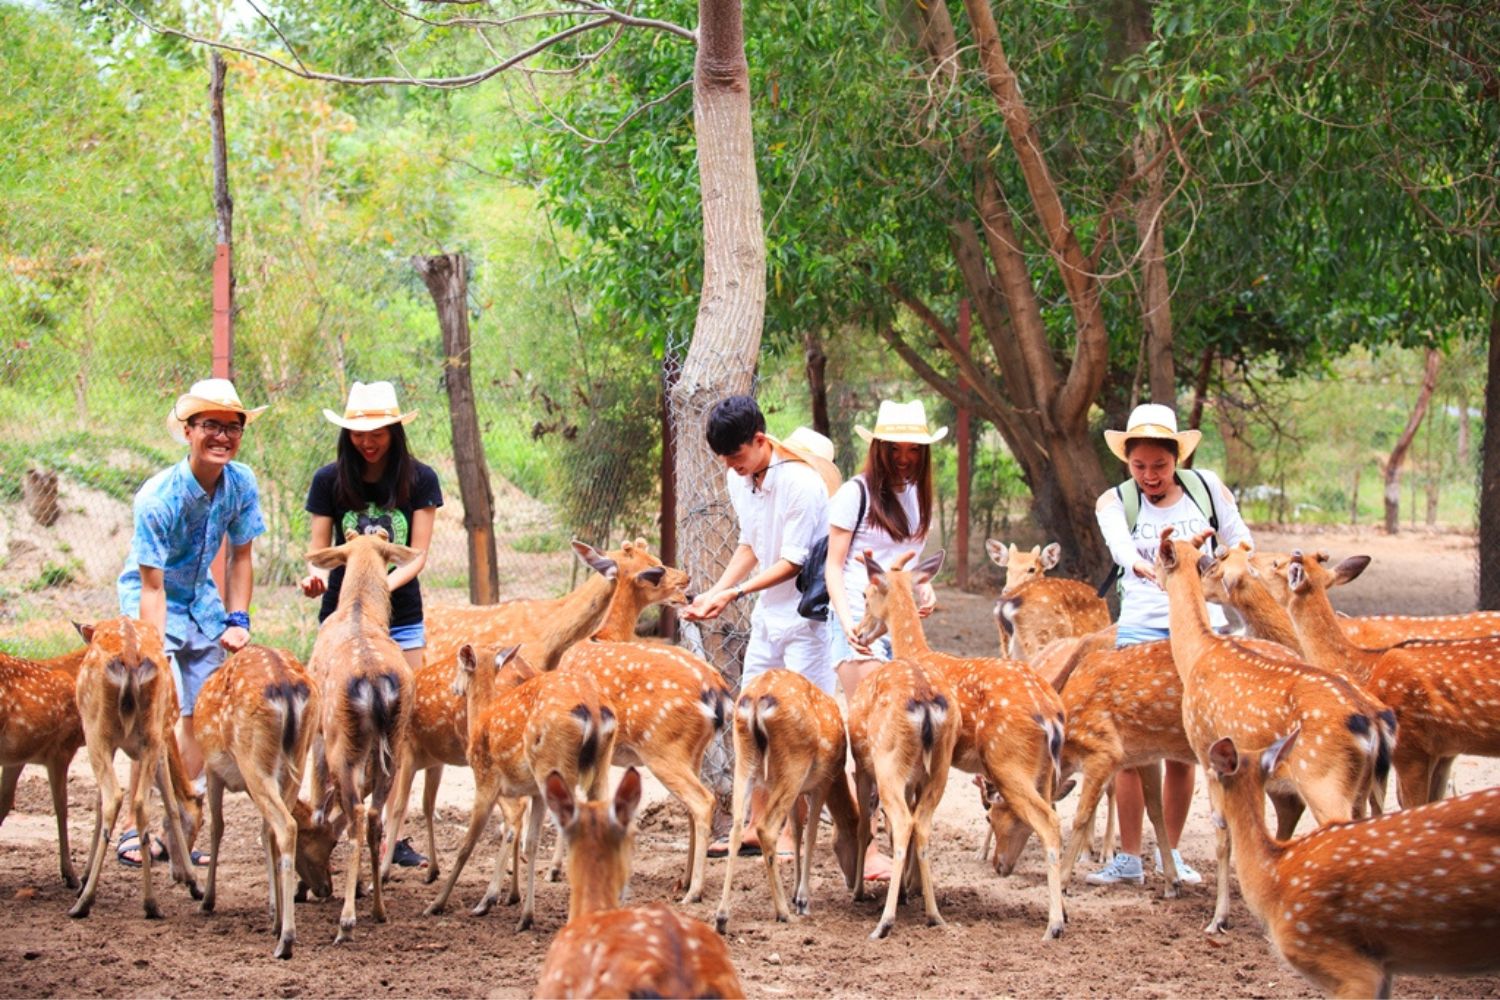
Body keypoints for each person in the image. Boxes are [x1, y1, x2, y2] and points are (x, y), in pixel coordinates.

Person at [1087, 402, 1252, 887]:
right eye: (1139, 466)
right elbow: (1121, 550)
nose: (1149, 475)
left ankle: (1171, 852)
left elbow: (1242, 541)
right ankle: (1130, 858)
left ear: (1177, 458)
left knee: (1187, 745)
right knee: (1130, 749)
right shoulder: (1115, 502)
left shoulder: (1207, 490)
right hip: (1141, 627)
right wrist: (1145, 566)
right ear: (1127, 462)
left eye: (1159, 465)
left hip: (1202, 633)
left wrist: (1216, 561)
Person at [115, 378, 268, 867]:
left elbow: (241, 556)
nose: (222, 437)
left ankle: (177, 823)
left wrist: (238, 616)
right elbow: (153, 586)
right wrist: (153, 648)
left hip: (202, 601)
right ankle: (131, 828)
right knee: (158, 712)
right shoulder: (157, 498)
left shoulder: (241, 483)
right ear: (188, 432)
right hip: (152, 601)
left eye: (232, 428)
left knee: (199, 717)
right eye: (210, 426)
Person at [683, 396, 836, 856]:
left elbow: (793, 561)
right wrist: (717, 591)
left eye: (736, 454)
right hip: (767, 617)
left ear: (760, 440)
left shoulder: (802, 485)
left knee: (798, 728)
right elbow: (751, 544)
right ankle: (756, 825)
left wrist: (735, 594)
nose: (730, 466)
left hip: (807, 621)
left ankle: (790, 831)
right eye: (724, 458)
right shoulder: (740, 478)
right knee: (750, 719)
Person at [299, 380, 442, 868]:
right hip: (341, 623)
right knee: (329, 729)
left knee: (401, 726)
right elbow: (320, 554)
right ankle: (322, 821)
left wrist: (379, 589)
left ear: (395, 430)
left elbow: (416, 556)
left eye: (378, 430)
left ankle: (390, 833)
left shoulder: (421, 480)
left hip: (399, 620)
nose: (368, 440)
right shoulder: (328, 480)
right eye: (359, 432)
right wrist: (317, 580)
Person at [824, 399, 944, 881]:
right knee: (876, 735)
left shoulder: (919, 496)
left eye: (912, 449)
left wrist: (926, 589)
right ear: (878, 447)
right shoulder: (854, 494)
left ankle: (909, 849)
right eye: (894, 448)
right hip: (860, 618)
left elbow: (910, 566)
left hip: (901, 622)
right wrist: (848, 619)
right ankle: (864, 841)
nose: (903, 457)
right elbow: (835, 564)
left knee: (910, 732)